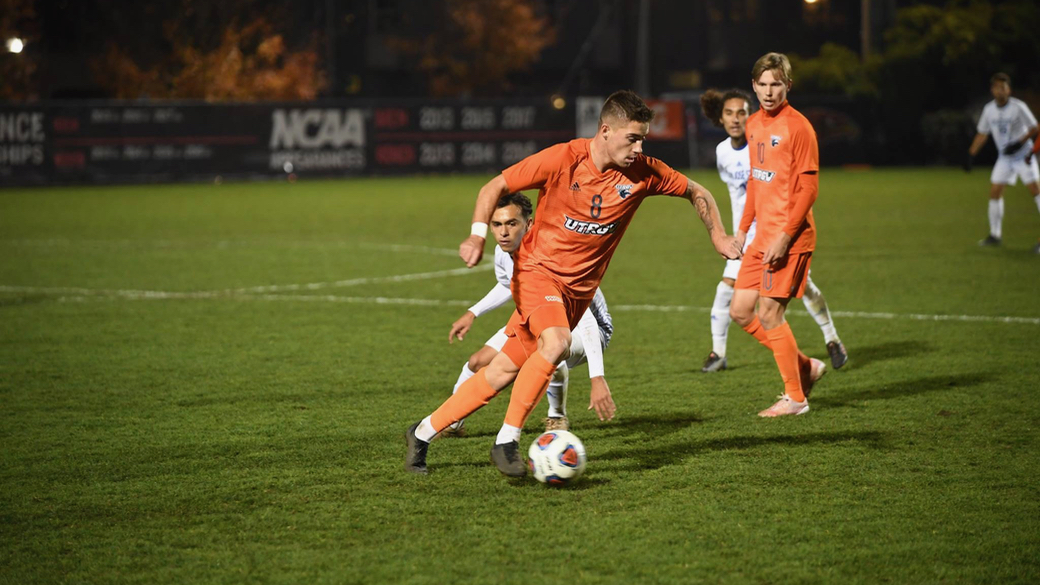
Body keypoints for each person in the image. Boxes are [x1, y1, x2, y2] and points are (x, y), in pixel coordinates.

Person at [405, 90, 742, 476]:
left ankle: (422, 432)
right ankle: (506, 442)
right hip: (536, 274)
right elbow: (492, 188)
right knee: (558, 343)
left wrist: (717, 233)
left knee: (501, 371)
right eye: (632, 137)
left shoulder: (644, 173)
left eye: (643, 138)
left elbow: (697, 191)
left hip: (576, 295)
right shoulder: (564, 158)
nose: (639, 146)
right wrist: (477, 235)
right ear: (605, 131)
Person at [698, 88, 847, 374]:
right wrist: (739, 230)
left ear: (751, 113)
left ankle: (830, 340)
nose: (735, 119)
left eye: (742, 112)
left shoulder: (767, 141)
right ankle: (720, 353)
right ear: (720, 118)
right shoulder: (722, 153)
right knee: (729, 296)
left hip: (775, 233)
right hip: (745, 238)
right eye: (729, 113)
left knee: (802, 291)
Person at [443, 192, 615, 435]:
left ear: (529, 224)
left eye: (512, 224)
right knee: (477, 362)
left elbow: (585, 320)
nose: (504, 232)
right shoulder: (505, 252)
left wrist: (597, 377)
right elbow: (507, 285)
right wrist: (473, 312)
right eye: (497, 224)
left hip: (590, 328)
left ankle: (557, 416)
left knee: (550, 352)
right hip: (541, 318)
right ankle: (452, 422)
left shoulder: (553, 255)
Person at [729, 53, 827, 418]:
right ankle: (804, 366)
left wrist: (785, 236)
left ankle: (796, 398)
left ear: (788, 85)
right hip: (760, 238)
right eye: (763, 85)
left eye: (776, 84)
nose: (769, 92)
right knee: (740, 311)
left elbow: (808, 189)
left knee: (769, 313)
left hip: (790, 238)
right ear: (754, 86)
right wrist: (741, 230)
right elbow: (756, 180)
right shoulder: (753, 124)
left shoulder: (798, 128)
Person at [966, 72, 1040, 249]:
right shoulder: (989, 110)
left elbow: (1035, 127)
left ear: (1009, 90)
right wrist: (970, 155)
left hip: (1024, 155)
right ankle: (995, 235)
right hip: (1004, 158)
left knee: (1036, 192)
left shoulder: (1018, 107)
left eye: (1003, 87)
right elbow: (982, 134)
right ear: (992, 90)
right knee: (995, 192)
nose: (1000, 91)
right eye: (997, 87)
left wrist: (1019, 143)